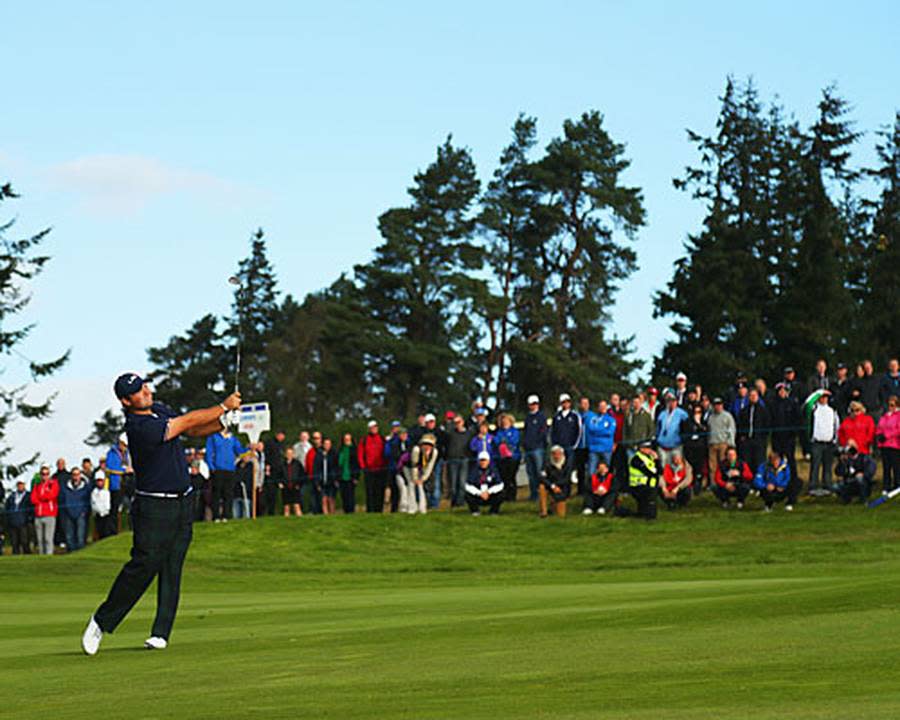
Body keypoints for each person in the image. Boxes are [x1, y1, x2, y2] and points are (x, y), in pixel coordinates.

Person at [81, 373, 242, 655]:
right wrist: (223, 406)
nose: (145, 391)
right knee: (144, 565)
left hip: (182, 502)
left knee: (172, 565)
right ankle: (101, 621)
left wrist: (223, 423)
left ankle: (160, 632)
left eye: (144, 385)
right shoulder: (139, 426)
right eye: (138, 391)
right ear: (126, 401)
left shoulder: (159, 408)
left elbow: (192, 431)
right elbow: (188, 421)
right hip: (154, 506)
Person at [205, 426, 245, 522]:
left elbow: (240, 450)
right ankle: (216, 516)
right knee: (217, 494)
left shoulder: (233, 438)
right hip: (218, 469)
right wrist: (212, 467)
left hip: (230, 469)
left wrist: (249, 449)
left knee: (229, 493)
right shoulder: (213, 437)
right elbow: (209, 453)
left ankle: (227, 515)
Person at [769, 383, 801, 495]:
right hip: (777, 437)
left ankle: (793, 481)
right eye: (780, 391)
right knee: (777, 460)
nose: (782, 393)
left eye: (784, 391)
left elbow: (797, 419)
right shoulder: (773, 404)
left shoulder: (792, 403)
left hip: (789, 438)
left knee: (790, 460)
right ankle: (776, 481)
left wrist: (793, 433)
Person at [616, 442, 658, 520]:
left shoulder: (650, 458)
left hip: (649, 485)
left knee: (644, 510)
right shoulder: (636, 459)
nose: (649, 450)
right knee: (648, 506)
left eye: (650, 448)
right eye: (647, 448)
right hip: (638, 486)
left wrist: (656, 460)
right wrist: (655, 471)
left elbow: (659, 471)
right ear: (641, 449)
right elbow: (649, 472)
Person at [808, 390, 840, 496]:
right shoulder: (814, 409)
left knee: (828, 465)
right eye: (822, 397)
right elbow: (807, 407)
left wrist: (835, 440)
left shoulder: (832, 411)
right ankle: (813, 486)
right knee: (815, 465)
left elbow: (836, 425)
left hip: (829, 442)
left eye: (826, 397)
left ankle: (827, 485)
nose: (824, 399)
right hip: (817, 442)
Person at [584, 399, 616, 488]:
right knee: (592, 471)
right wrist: (602, 431)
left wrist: (597, 431)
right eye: (600, 406)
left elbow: (610, 432)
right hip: (594, 448)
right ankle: (592, 489)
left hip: (606, 448)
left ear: (607, 407)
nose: (602, 408)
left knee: (607, 471)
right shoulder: (593, 419)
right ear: (598, 408)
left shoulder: (611, 419)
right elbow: (590, 430)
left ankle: (607, 489)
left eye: (604, 406)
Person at [522, 394, 548, 501]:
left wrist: (536, 443)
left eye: (534, 404)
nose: (533, 406)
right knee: (531, 473)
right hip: (528, 449)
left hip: (538, 448)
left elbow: (543, 433)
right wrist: (525, 444)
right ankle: (533, 494)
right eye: (531, 404)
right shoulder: (527, 418)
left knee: (539, 473)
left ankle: (541, 493)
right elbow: (525, 432)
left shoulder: (541, 417)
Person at [737, 387, 769, 472]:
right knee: (747, 462)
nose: (753, 397)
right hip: (747, 440)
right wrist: (742, 436)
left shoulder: (763, 410)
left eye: (755, 395)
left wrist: (763, 438)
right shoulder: (744, 411)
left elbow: (767, 425)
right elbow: (740, 424)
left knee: (758, 462)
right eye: (751, 395)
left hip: (759, 441)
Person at [358, 420, 388, 513]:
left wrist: (385, 465)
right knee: (370, 491)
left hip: (381, 469)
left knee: (380, 490)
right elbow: (360, 454)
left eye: (375, 427)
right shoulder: (364, 440)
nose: (374, 429)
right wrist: (363, 466)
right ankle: (370, 510)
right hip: (369, 470)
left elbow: (386, 452)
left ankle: (379, 510)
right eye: (372, 427)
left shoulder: (382, 439)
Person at [59, 467, 92, 551]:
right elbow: (62, 500)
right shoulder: (65, 487)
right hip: (68, 514)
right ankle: (71, 554)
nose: (76, 477)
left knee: (80, 536)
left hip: (81, 514)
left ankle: (80, 554)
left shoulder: (85, 487)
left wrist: (84, 512)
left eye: (77, 474)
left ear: (80, 475)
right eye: (74, 474)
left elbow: (88, 501)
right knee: (69, 536)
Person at [445, 413, 473, 507]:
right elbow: (445, 433)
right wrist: (450, 423)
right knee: (453, 485)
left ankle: (460, 503)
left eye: (459, 422)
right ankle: (454, 502)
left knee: (462, 483)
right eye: (455, 422)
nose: (457, 424)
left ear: (463, 422)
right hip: (452, 459)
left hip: (464, 459)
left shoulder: (469, 433)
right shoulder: (450, 433)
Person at [105, 435, 131, 534]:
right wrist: (124, 470)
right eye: (123, 445)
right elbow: (110, 468)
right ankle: (113, 531)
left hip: (128, 482)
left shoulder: (127, 453)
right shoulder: (111, 453)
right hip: (116, 484)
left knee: (131, 506)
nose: (124, 447)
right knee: (115, 508)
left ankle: (131, 529)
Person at [464, 451, 504, 515]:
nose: (483, 462)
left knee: (501, 494)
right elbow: (468, 485)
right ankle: (475, 511)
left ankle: (493, 511)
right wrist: (479, 493)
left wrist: (488, 492)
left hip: (490, 495)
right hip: (478, 495)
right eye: (481, 460)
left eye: (484, 460)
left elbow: (500, 484)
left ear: (488, 461)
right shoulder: (474, 470)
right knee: (467, 495)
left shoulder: (493, 470)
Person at [31, 465, 59, 555]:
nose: (45, 476)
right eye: (43, 474)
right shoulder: (37, 486)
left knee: (48, 538)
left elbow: (52, 495)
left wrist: (42, 497)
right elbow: (33, 499)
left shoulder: (53, 483)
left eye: (46, 474)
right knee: (40, 539)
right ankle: (41, 555)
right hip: (38, 514)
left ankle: (49, 555)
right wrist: (43, 497)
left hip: (49, 514)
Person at [408, 434, 438, 514]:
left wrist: (423, 478)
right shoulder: (416, 450)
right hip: (408, 467)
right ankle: (412, 508)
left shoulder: (434, 452)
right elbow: (414, 465)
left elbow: (430, 466)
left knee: (421, 486)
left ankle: (422, 508)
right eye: (425, 444)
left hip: (422, 468)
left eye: (429, 445)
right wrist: (415, 478)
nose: (427, 446)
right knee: (411, 485)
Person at [681, 403, 708, 491]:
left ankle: (698, 484)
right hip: (690, 447)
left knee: (699, 467)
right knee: (690, 466)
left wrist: (698, 424)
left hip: (700, 447)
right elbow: (685, 433)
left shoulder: (704, 422)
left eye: (699, 412)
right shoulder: (687, 422)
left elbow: (705, 432)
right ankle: (689, 484)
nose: (697, 414)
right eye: (695, 412)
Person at [494, 413, 522, 501]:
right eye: (503, 421)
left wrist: (504, 442)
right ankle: (505, 495)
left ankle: (512, 496)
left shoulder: (515, 431)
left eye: (506, 421)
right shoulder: (499, 432)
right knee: (504, 477)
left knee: (511, 477)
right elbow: (496, 441)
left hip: (513, 457)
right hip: (502, 458)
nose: (504, 422)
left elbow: (514, 441)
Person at [655, 392, 688, 466]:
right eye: (669, 400)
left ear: (676, 401)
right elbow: (658, 427)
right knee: (663, 468)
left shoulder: (682, 413)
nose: (671, 403)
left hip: (675, 446)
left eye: (673, 400)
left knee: (676, 468)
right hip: (662, 446)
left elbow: (687, 425)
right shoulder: (662, 413)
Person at [539, 445, 572, 518]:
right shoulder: (546, 463)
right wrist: (552, 486)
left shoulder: (568, 464)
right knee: (542, 487)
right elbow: (542, 477)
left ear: (562, 454)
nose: (556, 456)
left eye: (558, 454)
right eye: (554, 454)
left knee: (561, 515)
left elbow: (567, 479)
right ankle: (544, 511)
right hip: (551, 486)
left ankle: (553, 505)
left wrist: (557, 486)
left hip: (563, 488)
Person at [422, 414, 447, 508]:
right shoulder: (422, 433)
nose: (431, 424)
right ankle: (427, 501)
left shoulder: (440, 432)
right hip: (425, 461)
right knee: (426, 481)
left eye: (432, 421)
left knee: (436, 482)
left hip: (437, 460)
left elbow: (445, 444)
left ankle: (435, 503)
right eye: (429, 422)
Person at [876, 396, 900, 493]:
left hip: (895, 444)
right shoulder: (885, 416)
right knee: (886, 467)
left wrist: (887, 435)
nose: (890, 407)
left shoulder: (898, 416)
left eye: (892, 405)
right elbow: (879, 427)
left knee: (896, 466)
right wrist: (879, 435)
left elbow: (898, 430)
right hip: (884, 445)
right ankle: (886, 486)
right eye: (889, 405)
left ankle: (897, 485)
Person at [4, 479, 33, 554]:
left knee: (25, 541)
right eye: (19, 484)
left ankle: (28, 557)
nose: (20, 486)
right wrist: (8, 519)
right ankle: (16, 556)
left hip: (24, 522)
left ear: (24, 485)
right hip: (13, 522)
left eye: (22, 484)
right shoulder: (12, 496)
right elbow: (7, 507)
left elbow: (31, 508)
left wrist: (29, 519)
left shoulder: (28, 495)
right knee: (14, 542)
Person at [551, 393, 582, 462]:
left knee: (569, 465)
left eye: (567, 401)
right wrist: (554, 444)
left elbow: (579, 431)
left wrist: (575, 444)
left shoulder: (575, 415)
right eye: (563, 402)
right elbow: (553, 431)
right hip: (559, 446)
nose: (566, 404)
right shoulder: (556, 416)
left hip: (570, 446)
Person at [574, 396, 593, 497]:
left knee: (590, 469)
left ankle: (590, 489)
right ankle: (580, 490)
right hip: (579, 446)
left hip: (590, 446)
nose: (584, 405)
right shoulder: (576, 416)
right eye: (583, 403)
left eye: (586, 403)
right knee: (580, 469)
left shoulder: (593, 416)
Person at [304, 431, 325, 515]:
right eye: (314, 438)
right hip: (312, 477)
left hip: (323, 477)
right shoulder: (311, 451)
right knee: (313, 496)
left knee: (322, 496)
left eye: (317, 438)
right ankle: (314, 511)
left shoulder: (324, 450)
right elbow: (307, 464)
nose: (316, 440)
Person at [337, 433, 359, 513]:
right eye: (345, 439)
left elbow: (357, 464)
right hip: (341, 476)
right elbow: (338, 464)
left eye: (348, 439)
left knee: (351, 495)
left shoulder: (354, 450)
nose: (347, 441)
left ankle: (351, 511)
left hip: (351, 476)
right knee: (343, 495)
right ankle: (345, 511)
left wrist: (356, 477)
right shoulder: (340, 449)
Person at [281, 446, 305, 516]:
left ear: (293, 454)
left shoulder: (297, 464)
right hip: (285, 487)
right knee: (286, 507)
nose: (289, 455)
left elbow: (302, 475)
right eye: (288, 453)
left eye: (291, 453)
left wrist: (299, 484)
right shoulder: (282, 464)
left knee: (296, 505)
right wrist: (280, 483)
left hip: (295, 486)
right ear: (285, 454)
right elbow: (278, 475)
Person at [91, 474, 113, 539]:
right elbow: (94, 503)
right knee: (100, 531)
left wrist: (105, 511)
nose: (99, 483)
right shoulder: (94, 492)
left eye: (101, 481)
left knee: (106, 531)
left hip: (106, 514)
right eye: (98, 481)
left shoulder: (106, 491)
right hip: (98, 514)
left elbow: (107, 503)